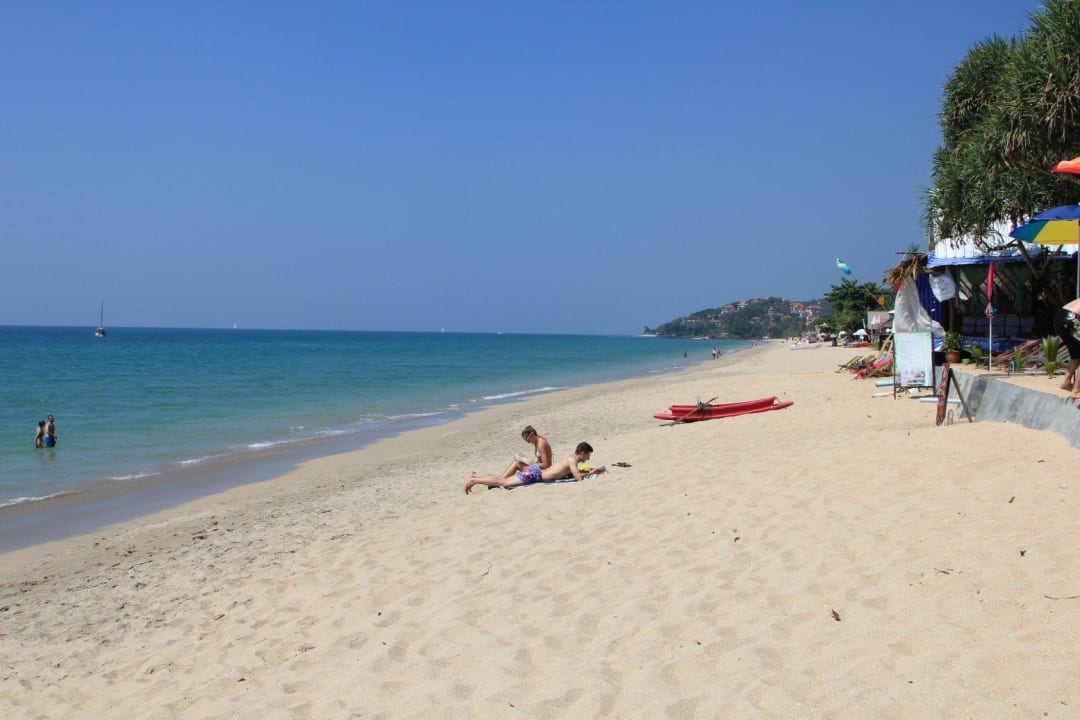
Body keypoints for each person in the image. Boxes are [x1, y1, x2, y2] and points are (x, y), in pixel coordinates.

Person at [466, 442, 603, 494]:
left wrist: (588, 470)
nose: (588, 458)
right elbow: (578, 478)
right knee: (503, 482)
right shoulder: (572, 461)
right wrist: (592, 472)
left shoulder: (569, 457)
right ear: (583, 453)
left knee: (502, 480)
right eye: (588, 455)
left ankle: (475, 478)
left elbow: (571, 472)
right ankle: (474, 480)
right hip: (535, 475)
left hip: (536, 473)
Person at [1053, 298, 1080, 396]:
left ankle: (1066, 382)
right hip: (1072, 318)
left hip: (1060, 316)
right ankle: (1076, 390)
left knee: (1076, 354)